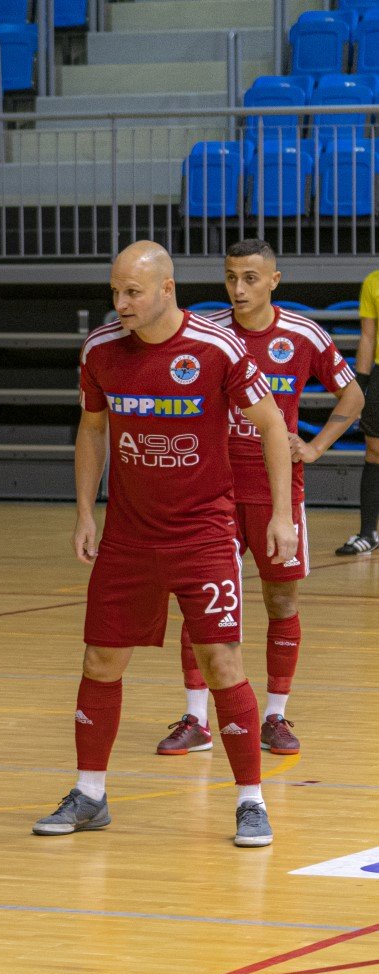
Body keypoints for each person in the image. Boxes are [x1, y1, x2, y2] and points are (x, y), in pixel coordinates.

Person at [35, 241, 295, 848]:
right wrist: (84, 512)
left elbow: (274, 425)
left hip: (203, 532)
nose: (121, 303)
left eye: (133, 292)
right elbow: (92, 429)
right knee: (100, 661)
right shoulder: (100, 350)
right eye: (115, 292)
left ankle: (251, 803)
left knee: (221, 662)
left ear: (166, 289)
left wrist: (281, 514)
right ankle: (90, 794)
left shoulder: (215, 347)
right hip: (128, 535)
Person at [159, 240, 364, 758]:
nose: (238, 289)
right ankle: (196, 717)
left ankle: (275, 716)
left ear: (275, 279)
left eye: (251, 278)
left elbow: (353, 394)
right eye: (231, 278)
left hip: (277, 494)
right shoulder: (211, 336)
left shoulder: (302, 334)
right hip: (213, 494)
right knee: (201, 603)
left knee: (281, 601)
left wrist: (315, 446)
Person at [334, 266, 379, 554]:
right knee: (374, 450)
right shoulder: (373, 282)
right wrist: (361, 385)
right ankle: (368, 534)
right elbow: (367, 336)